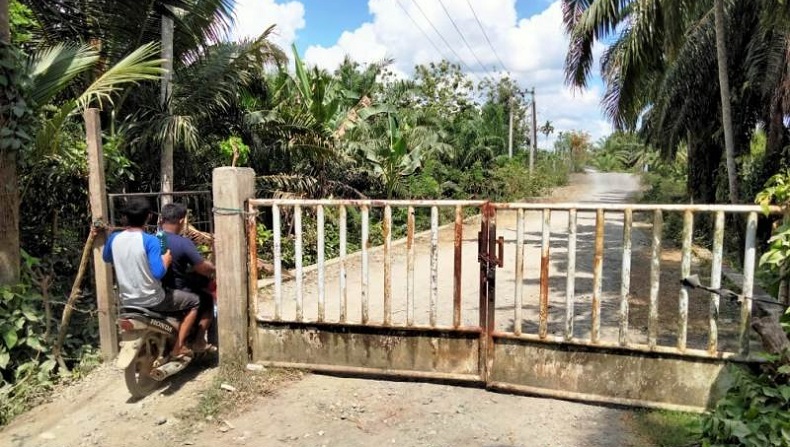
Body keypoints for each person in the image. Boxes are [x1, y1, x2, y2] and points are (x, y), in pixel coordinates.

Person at [101, 197, 198, 359]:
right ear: (149, 217)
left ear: (126, 217)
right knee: (194, 301)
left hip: (127, 301)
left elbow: (107, 258)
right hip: (154, 300)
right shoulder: (151, 241)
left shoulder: (114, 238)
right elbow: (158, 273)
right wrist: (166, 260)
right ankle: (179, 347)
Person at [159, 203, 216, 353]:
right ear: (181, 221)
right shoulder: (183, 243)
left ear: (162, 219)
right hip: (176, 291)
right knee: (206, 299)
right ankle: (198, 341)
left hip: (155, 290)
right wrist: (214, 268)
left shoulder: (152, 240)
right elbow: (201, 267)